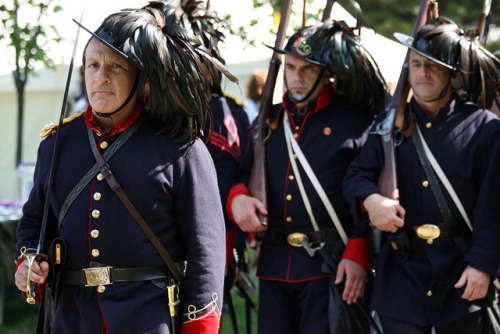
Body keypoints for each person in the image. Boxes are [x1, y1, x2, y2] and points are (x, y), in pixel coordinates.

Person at [14, 6, 231, 334]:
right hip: (72, 319)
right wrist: (28, 260)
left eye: (115, 67)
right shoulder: (57, 143)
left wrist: (199, 326)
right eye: (93, 65)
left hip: (148, 318)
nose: (100, 77)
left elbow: (206, 249)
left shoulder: (180, 147)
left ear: (140, 76)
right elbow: (34, 221)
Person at [228, 19, 388, 333]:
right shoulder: (267, 121)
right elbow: (238, 172)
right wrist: (239, 198)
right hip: (274, 265)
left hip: (330, 265)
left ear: (326, 73)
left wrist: (358, 253)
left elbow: (368, 188)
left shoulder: (354, 122)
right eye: (290, 67)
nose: (296, 77)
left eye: (307, 69)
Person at [343, 17, 500, 333]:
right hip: (402, 279)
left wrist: (483, 265)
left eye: (432, 65)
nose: (422, 73)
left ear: (452, 72)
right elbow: (355, 176)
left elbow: (494, 206)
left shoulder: (484, 127)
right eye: (416, 64)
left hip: (461, 273)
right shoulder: (388, 124)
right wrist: (372, 200)